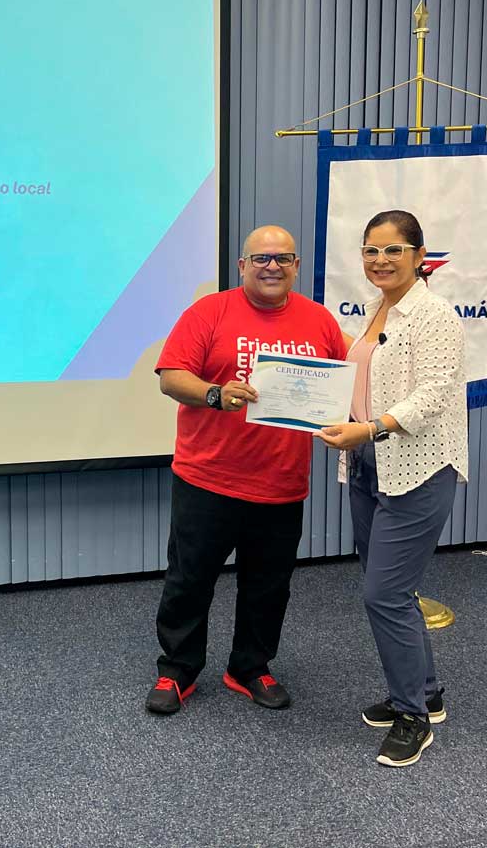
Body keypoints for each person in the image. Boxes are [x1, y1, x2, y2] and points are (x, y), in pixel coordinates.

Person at [146, 225, 347, 715]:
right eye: (261, 258)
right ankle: (178, 670)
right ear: (242, 266)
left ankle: (249, 667)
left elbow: (346, 380)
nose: (272, 266)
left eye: (283, 258)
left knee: (269, 585)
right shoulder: (208, 312)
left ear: (297, 266)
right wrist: (215, 394)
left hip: (281, 483)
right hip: (207, 478)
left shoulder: (320, 321)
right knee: (190, 580)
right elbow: (171, 377)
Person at [315, 209, 468, 767]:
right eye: (371, 250)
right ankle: (425, 692)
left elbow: (431, 396)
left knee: (384, 594)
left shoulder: (434, 316)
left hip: (417, 469)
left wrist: (370, 428)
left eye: (393, 250)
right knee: (392, 591)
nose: (380, 260)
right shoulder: (376, 308)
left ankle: (412, 718)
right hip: (367, 465)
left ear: (419, 256)